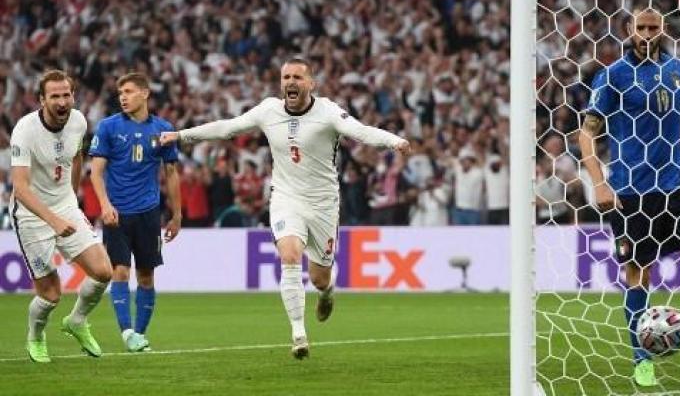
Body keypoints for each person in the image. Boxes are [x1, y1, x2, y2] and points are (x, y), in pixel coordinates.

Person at [159, 57, 410, 359]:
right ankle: (298, 334)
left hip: (323, 204)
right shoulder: (268, 110)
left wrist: (394, 140)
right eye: (286, 77)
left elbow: (362, 131)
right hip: (285, 197)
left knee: (319, 277)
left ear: (311, 83)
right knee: (289, 256)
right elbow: (228, 127)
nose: (291, 82)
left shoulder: (328, 112)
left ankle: (327, 292)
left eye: (297, 77)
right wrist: (182, 136)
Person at [579, 8, 680, 386]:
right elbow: (587, 133)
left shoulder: (678, 70)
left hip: (677, 189)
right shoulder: (612, 76)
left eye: (654, 27)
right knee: (637, 276)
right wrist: (599, 181)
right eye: (640, 27)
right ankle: (640, 359)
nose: (647, 33)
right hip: (631, 192)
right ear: (629, 30)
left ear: (664, 30)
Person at [10, 70, 112, 363]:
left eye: (66, 95)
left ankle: (77, 321)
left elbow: (76, 156)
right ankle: (36, 336)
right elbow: (20, 188)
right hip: (31, 215)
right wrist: (52, 220)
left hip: (65, 207)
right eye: (54, 96)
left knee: (103, 271)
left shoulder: (78, 121)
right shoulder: (25, 130)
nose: (62, 101)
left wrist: (71, 197)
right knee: (51, 294)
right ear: (42, 100)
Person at [89, 72, 181, 352]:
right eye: (120, 93)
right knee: (119, 271)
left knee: (146, 276)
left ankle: (139, 335)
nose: (123, 97)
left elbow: (172, 173)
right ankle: (127, 331)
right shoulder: (108, 127)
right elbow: (95, 173)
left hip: (149, 213)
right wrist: (105, 205)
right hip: (117, 213)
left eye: (129, 92)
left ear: (145, 93)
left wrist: (176, 215)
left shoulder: (163, 130)